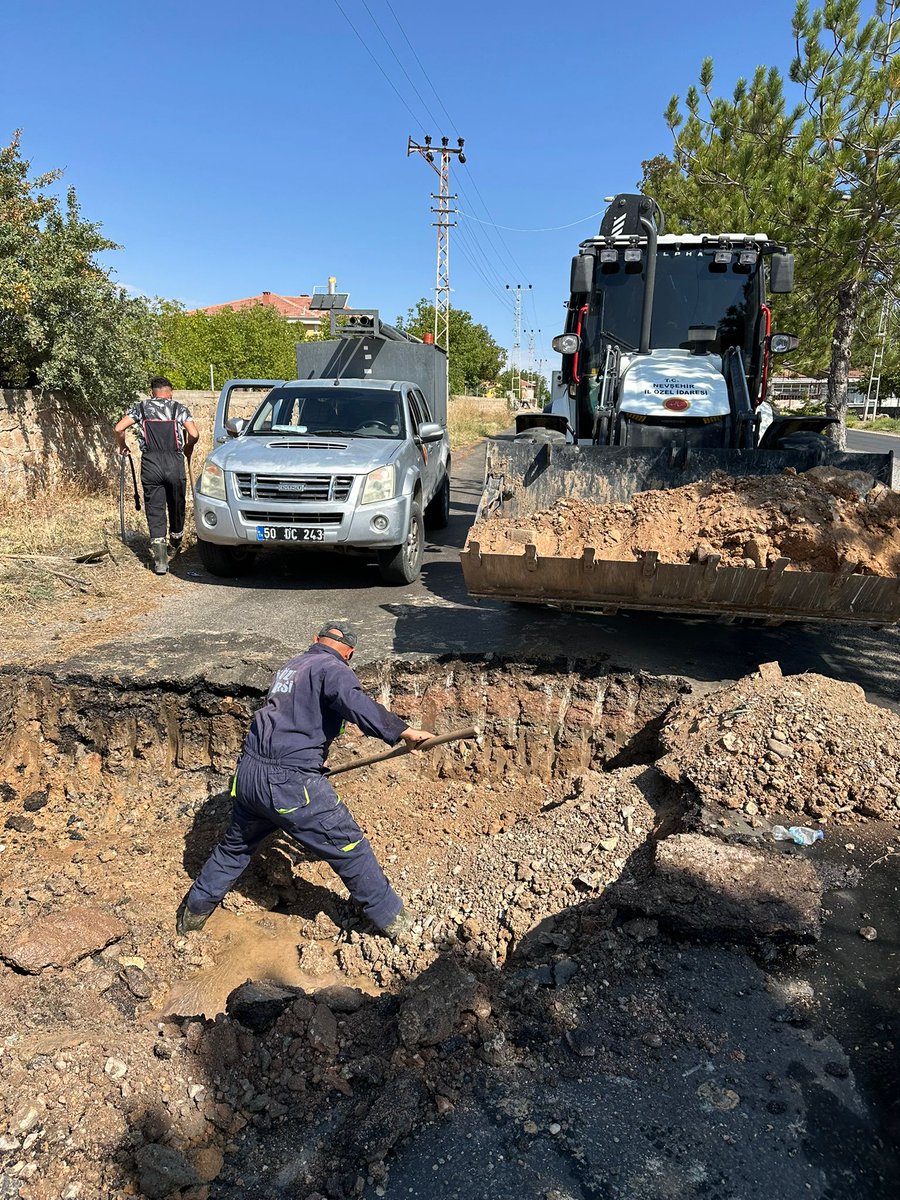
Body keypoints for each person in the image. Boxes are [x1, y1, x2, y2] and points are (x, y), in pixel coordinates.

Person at [177, 622, 433, 939]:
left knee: (235, 849)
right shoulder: (333, 668)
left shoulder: (293, 666)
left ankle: (192, 915)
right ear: (349, 653)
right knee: (350, 847)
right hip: (288, 783)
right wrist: (405, 732)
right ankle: (397, 923)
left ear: (315, 640)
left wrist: (313, 755)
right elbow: (357, 705)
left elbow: (291, 718)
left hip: (248, 775)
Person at [114, 377, 199, 575]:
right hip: (174, 461)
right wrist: (188, 448)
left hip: (150, 462)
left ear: (152, 392)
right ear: (170, 392)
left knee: (155, 507)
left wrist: (122, 445)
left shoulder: (140, 408)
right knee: (177, 503)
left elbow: (118, 428)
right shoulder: (179, 408)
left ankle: (160, 561)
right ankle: (175, 542)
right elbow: (194, 434)